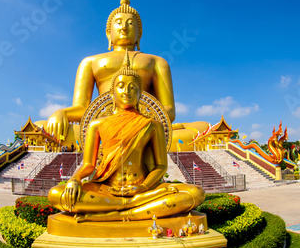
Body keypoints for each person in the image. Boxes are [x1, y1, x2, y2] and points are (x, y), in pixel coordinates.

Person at [48, 54, 204, 222]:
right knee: (56, 194)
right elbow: (88, 165)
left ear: (140, 94)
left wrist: (142, 188)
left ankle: (117, 212)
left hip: (142, 188)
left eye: (133, 87)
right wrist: (75, 179)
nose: (127, 91)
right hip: (106, 188)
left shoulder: (152, 124)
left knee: (195, 194)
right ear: (112, 92)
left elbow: (160, 166)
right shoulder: (97, 124)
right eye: (121, 86)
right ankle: (133, 206)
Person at [35, 0, 175, 145]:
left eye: (130, 23)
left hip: (142, 127)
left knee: (198, 130)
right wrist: (62, 113)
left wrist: (136, 117)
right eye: (119, 23)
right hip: (102, 125)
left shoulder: (156, 62)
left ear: (139, 34)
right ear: (108, 34)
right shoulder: (90, 62)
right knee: (41, 127)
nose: (124, 27)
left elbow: (169, 110)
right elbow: (82, 108)